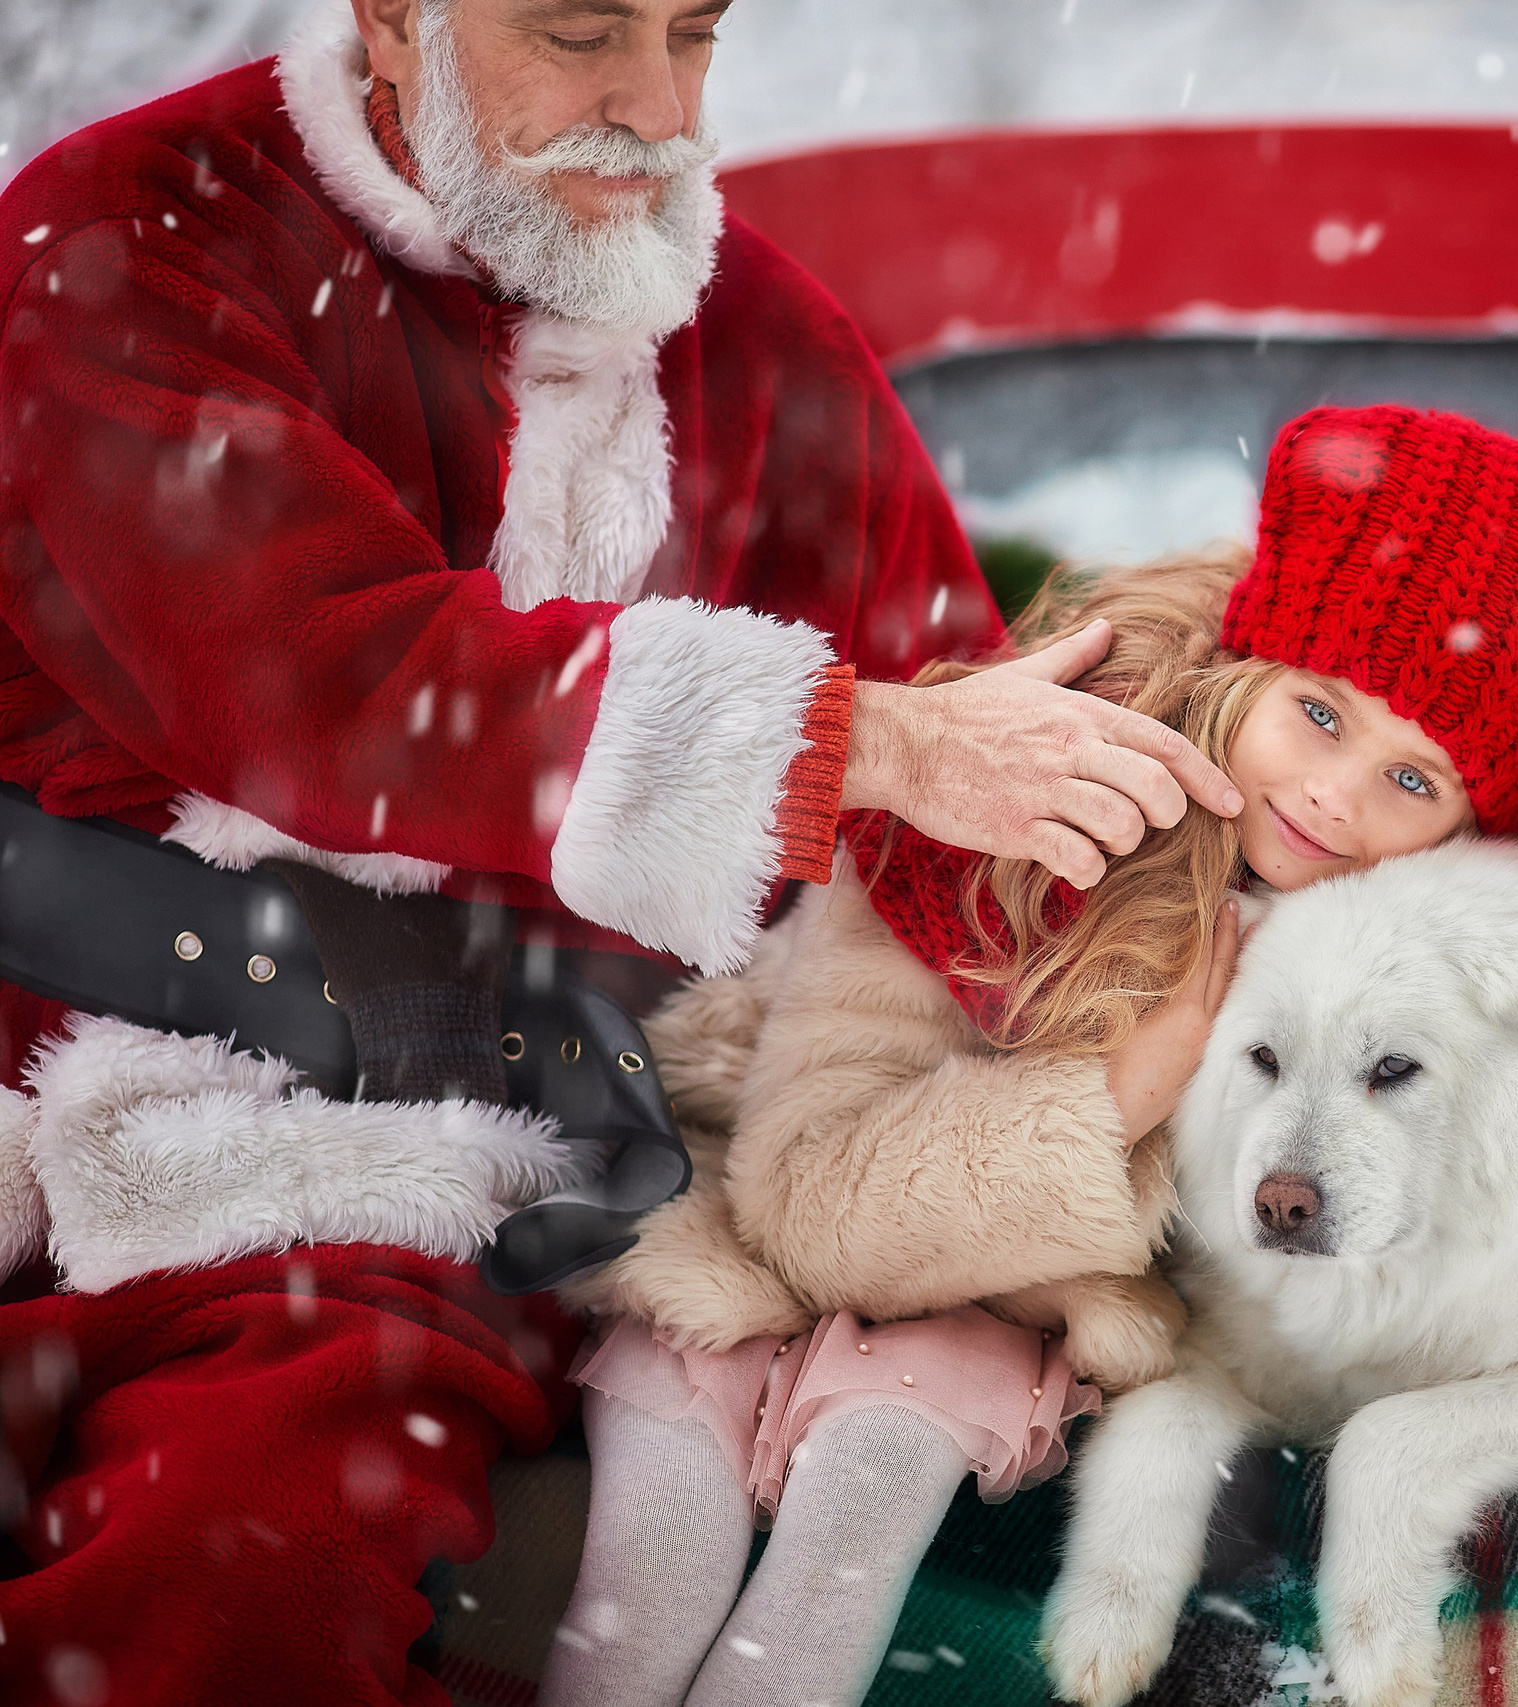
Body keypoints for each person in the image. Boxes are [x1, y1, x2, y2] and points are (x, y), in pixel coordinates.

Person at [0, 1, 1233, 1701]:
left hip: (448, 1175)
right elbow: (315, 675)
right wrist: (858, 739)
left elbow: (972, 808)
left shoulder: (762, 337)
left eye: (692, 33)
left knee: (249, 1552)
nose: (655, 107)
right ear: (392, 17)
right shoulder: (136, 232)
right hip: (59, 1076)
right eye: (582, 31)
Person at [537, 403, 1518, 1707]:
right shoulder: (1003, 801)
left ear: (1474, 831)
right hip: (778, 1218)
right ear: (1252, 663)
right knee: (656, 1561)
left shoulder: (1427, 945)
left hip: (1001, 1319)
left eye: (1414, 782)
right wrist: (1138, 1078)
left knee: (841, 1551)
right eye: (1319, 714)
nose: (1335, 794)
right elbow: (808, 1208)